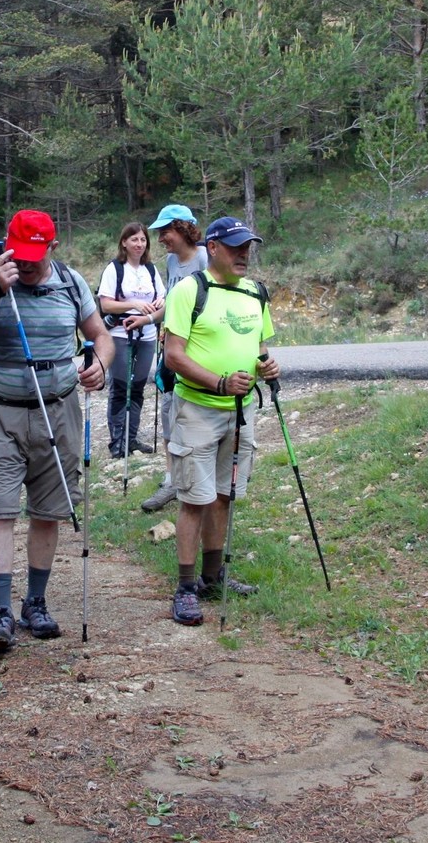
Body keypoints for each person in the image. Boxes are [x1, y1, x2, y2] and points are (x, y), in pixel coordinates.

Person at [0, 209, 113, 653]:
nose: (27, 264)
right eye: (20, 253)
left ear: (53, 247)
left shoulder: (71, 283)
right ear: (7, 244)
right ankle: (0, 612)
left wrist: (100, 365)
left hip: (58, 409)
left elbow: (100, 336)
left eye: (36, 256)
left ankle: (35, 603)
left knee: (49, 510)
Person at [161, 216, 280, 625]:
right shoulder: (189, 290)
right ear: (212, 248)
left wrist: (267, 366)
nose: (243, 254)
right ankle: (185, 588)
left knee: (224, 495)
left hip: (241, 411)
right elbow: (173, 355)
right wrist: (219, 382)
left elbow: (259, 346)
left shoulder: (255, 293)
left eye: (247, 247)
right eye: (235, 247)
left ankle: (212, 578)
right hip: (197, 408)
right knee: (195, 498)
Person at [139, 204, 210, 514]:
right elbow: (172, 302)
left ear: (182, 229)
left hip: (196, 351)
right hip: (171, 349)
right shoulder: (170, 261)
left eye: (165, 231)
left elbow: (211, 306)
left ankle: (199, 479)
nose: (160, 238)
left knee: (195, 414)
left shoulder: (205, 258)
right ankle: (171, 480)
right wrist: (150, 321)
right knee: (169, 411)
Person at [97, 222, 162, 459]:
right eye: (134, 239)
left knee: (137, 387)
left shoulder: (151, 269)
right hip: (119, 332)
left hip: (147, 333)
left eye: (143, 239)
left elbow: (162, 297)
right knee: (120, 386)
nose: (139, 244)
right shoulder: (114, 269)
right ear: (124, 242)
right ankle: (117, 442)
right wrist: (133, 304)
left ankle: (131, 439)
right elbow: (105, 304)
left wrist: (161, 303)